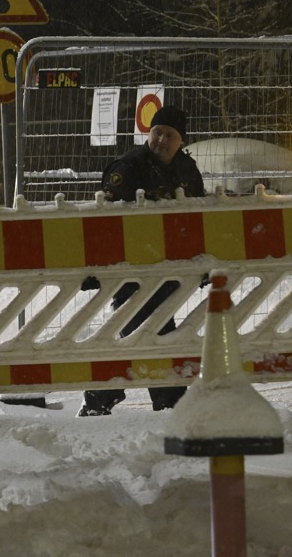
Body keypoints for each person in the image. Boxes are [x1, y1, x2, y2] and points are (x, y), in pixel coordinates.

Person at [79, 105, 206, 417]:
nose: (162, 139)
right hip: (130, 272)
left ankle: (106, 398)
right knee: (146, 330)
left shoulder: (187, 171)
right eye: (157, 132)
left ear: (181, 141)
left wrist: (204, 262)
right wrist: (96, 267)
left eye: (170, 135)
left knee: (149, 332)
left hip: (169, 270)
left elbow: (201, 217)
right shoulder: (129, 166)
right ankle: (166, 404)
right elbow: (102, 221)